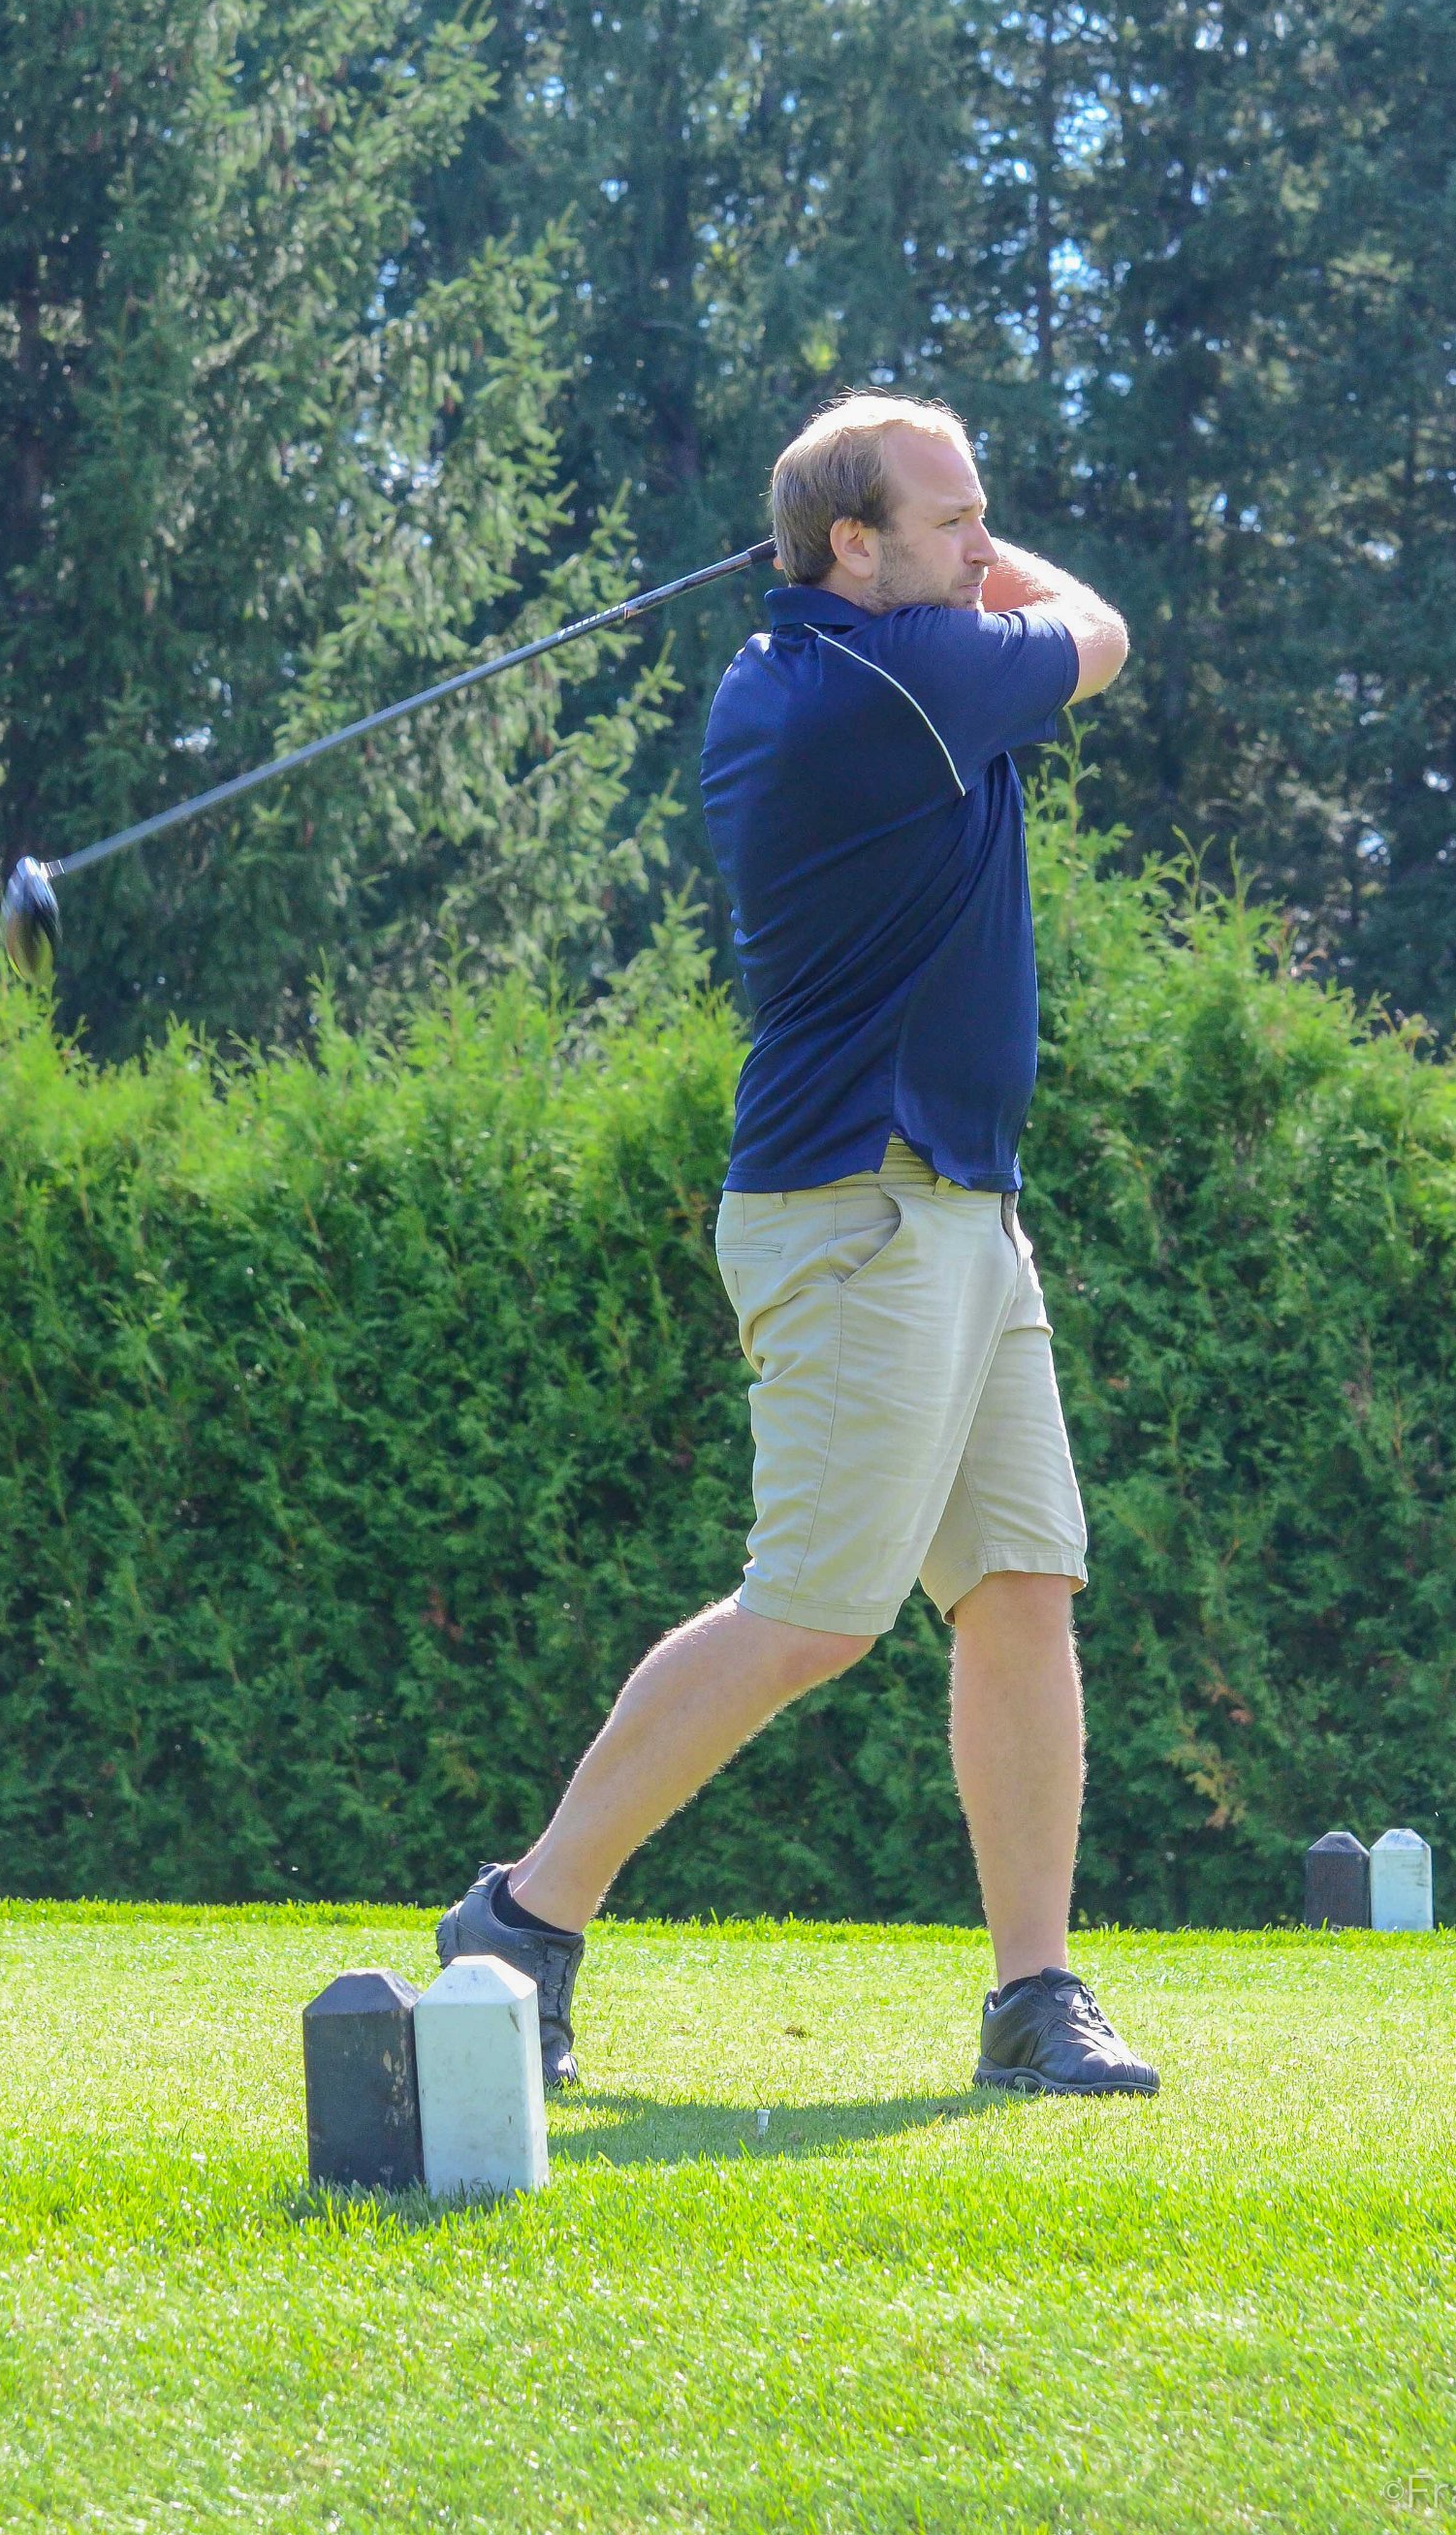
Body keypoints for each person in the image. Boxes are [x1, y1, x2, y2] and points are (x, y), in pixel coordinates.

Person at [436, 392, 1157, 2097]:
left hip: (957, 1206)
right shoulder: (889, 685)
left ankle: (1035, 1996)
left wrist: (946, 547)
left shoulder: (839, 663)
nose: (981, 547)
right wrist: (996, 569)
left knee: (1020, 1590)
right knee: (815, 1611)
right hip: (861, 1208)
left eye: (983, 517)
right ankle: (523, 1920)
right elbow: (1103, 632)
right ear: (851, 546)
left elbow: (999, 609)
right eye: (952, 518)